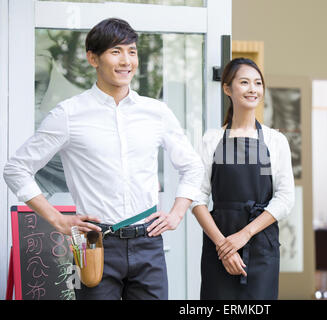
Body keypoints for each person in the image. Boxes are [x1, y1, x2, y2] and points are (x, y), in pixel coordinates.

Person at [3, 18, 204, 300]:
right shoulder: (69, 114)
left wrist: (177, 212)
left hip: (148, 244)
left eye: (132, 51)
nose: (126, 61)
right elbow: (16, 169)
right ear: (92, 58)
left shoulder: (156, 112)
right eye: (116, 51)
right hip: (94, 244)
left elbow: (192, 166)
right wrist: (57, 219)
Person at [191, 58, 295, 299]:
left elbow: (285, 198)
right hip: (219, 242)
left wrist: (244, 235)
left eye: (258, 83)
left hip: (261, 245)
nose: (253, 89)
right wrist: (223, 246)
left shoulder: (275, 140)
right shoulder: (211, 139)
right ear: (227, 88)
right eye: (245, 82)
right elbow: (196, 198)